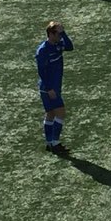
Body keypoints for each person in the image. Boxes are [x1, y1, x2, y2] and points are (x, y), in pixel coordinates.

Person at [36, 21, 74, 154]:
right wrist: (49, 89)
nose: (60, 36)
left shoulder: (58, 44)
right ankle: (55, 143)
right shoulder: (43, 50)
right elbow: (41, 71)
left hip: (53, 87)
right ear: (51, 34)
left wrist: (64, 32)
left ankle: (49, 143)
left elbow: (70, 47)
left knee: (51, 114)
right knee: (61, 113)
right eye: (58, 33)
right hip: (49, 88)